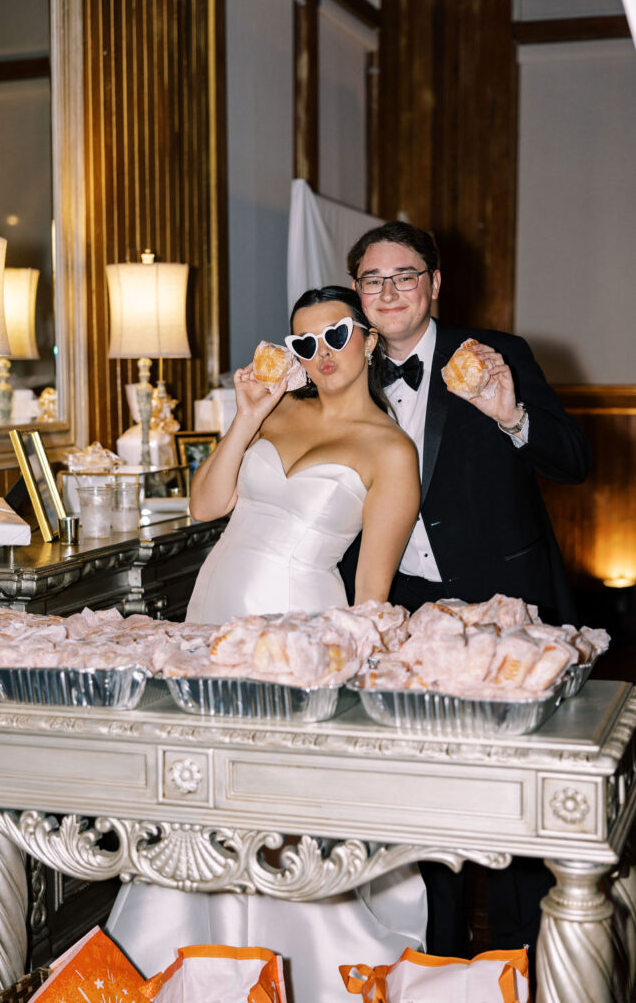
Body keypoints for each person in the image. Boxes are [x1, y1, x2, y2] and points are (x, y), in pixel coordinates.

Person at [106, 285, 427, 1002]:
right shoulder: (275, 409)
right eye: (303, 344)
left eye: (337, 335)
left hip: (299, 633)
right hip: (211, 616)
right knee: (198, 791)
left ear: (369, 340)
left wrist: (347, 675)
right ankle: (189, 955)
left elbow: (372, 592)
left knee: (276, 805)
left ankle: (294, 967)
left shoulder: (390, 451)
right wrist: (247, 417)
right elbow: (207, 505)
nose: (322, 355)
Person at [340, 220, 591, 981]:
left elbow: (573, 462)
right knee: (419, 795)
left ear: (435, 283)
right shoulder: (341, 368)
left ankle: (521, 966)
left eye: (404, 276)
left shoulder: (495, 355)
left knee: (510, 793)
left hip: (503, 607)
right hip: (403, 610)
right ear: (357, 292)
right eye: (372, 279)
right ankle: (437, 968)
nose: (387, 292)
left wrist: (511, 416)